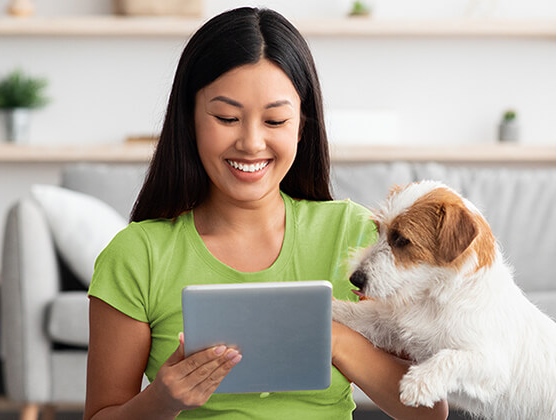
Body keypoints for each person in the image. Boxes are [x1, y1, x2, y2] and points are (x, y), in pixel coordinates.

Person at [83, 7, 449, 420]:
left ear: (301, 126)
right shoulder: (137, 254)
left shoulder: (358, 237)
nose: (251, 142)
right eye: (227, 118)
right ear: (189, 120)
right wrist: (163, 400)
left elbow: (428, 412)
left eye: (274, 119)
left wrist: (336, 340)